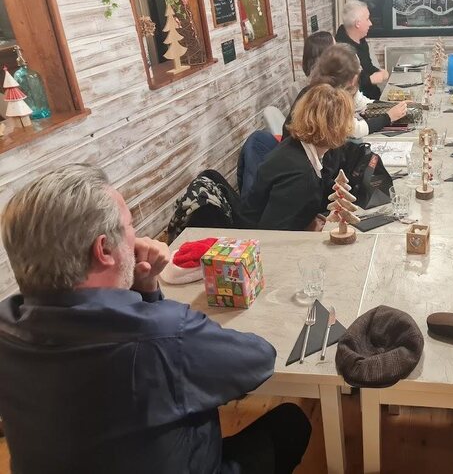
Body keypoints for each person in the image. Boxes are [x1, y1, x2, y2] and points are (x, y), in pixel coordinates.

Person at [0, 164, 311, 474]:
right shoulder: (164, 336)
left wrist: (144, 290)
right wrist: (151, 302)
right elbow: (259, 359)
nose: (137, 237)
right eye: (129, 226)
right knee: (290, 423)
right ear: (104, 250)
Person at [244, 84, 354, 230]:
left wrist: (309, 219)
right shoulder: (300, 175)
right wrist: (306, 228)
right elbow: (273, 233)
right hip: (259, 243)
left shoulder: (294, 144)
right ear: (336, 128)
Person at [282, 43, 406, 139]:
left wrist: (395, 107)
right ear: (352, 78)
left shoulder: (340, 86)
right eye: (358, 67)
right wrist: (388, 117)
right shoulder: (327, 97)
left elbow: (365, 104)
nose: (361, 69)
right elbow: (354, 130)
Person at [335, 0, 388, 100]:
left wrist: (379, 71)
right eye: (367, 19)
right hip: (359, 104)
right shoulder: (341, 50)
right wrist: (370, 80)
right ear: (358, 24)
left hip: (373, 96)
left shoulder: (361, 40)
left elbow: (367, 66)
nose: (370, 23)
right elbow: (344, 85)